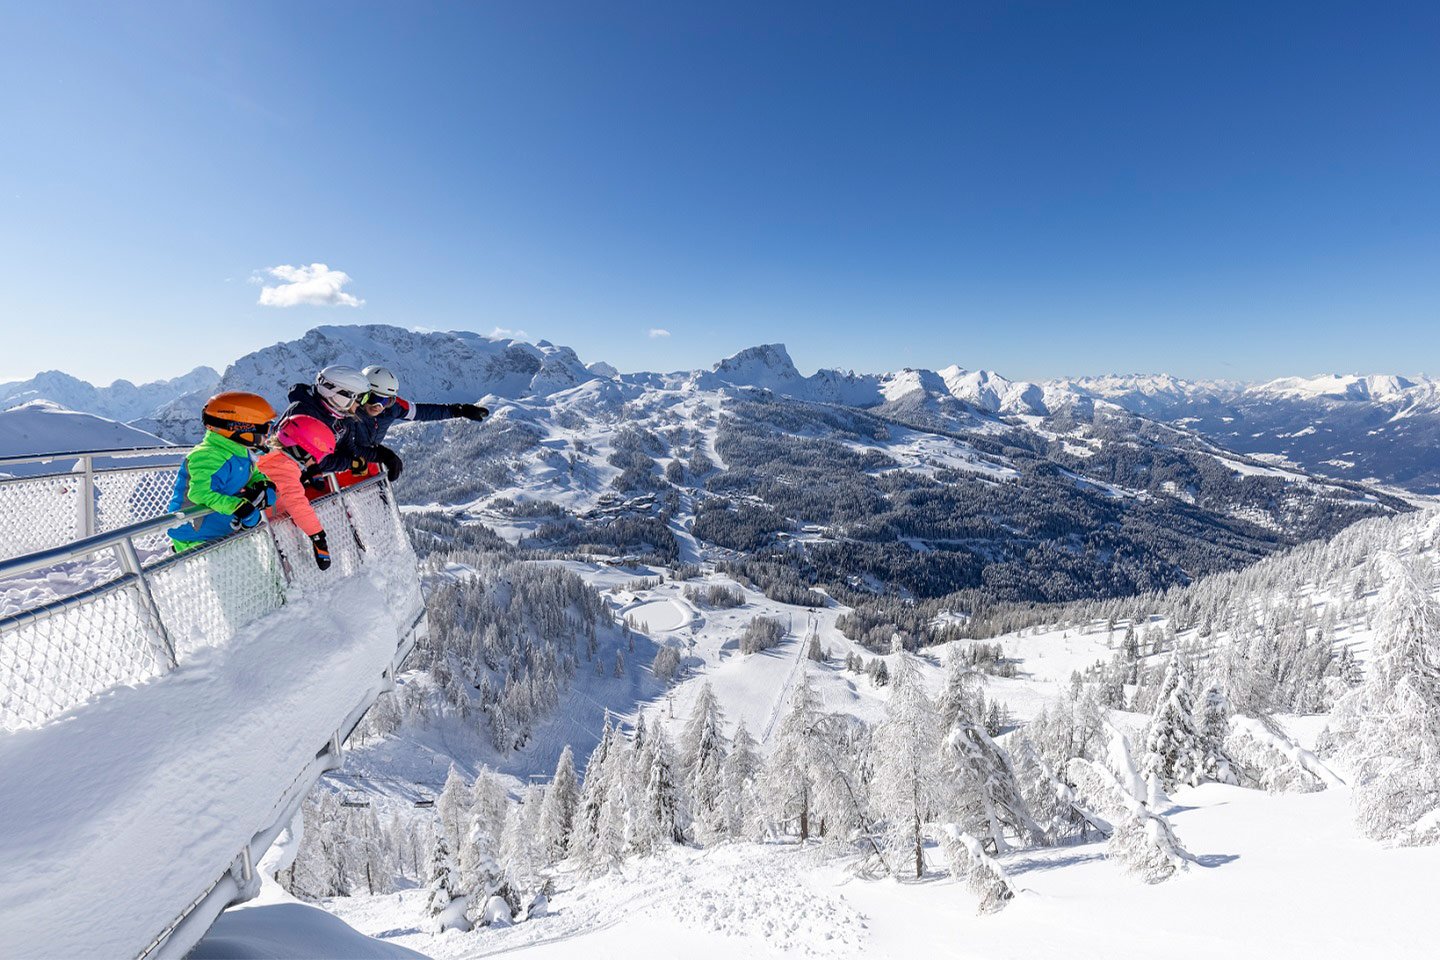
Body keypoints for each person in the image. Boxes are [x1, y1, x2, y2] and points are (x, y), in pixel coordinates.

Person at [167, 392, 277, 552]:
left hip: (220, 528)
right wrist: (239, 507)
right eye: (265, 430)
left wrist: (263, 484)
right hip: (194, 534)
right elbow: (200, 493)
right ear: (242, 428)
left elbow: (252, 474)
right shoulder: (208, 455)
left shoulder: (241, 453)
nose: (267, 437)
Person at [344, 364, 489, 483]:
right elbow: (342, 447)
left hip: (365, 465)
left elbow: (422, 412)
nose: (378, 406)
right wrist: (382, 455)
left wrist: (458, 410)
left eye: (385, 401)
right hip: (341, 468)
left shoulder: (393, 409)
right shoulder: (348, 409)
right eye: (374, 398)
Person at [256, 415, 337, 570]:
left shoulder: (271, 454)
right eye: (315, 456)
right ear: (303, 449)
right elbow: (297, 503)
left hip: (263, 524)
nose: (315, 462)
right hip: (262, 530)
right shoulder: (284, 467)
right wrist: (318, 536)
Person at [280, 364, 370, 492]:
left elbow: (347, 448)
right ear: (342, 396)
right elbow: (316, 460)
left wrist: (352, 460)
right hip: (289, 488)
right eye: (361, 398)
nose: (362, 404)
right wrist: (349, 463)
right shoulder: (303, 413)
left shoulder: (342, 418)